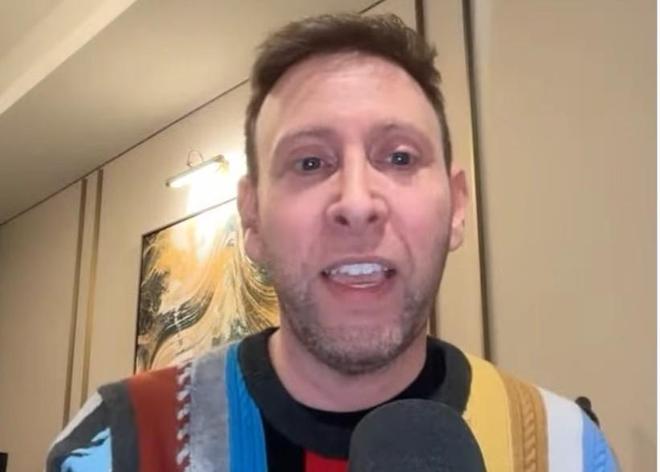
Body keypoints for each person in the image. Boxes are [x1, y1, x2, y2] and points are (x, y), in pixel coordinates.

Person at [47, 13, 617, 471]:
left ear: (457, 207)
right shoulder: (121, 442)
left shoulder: (564, 449)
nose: (357, 203)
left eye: (400, 157)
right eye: (310, 162)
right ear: (252, 218)